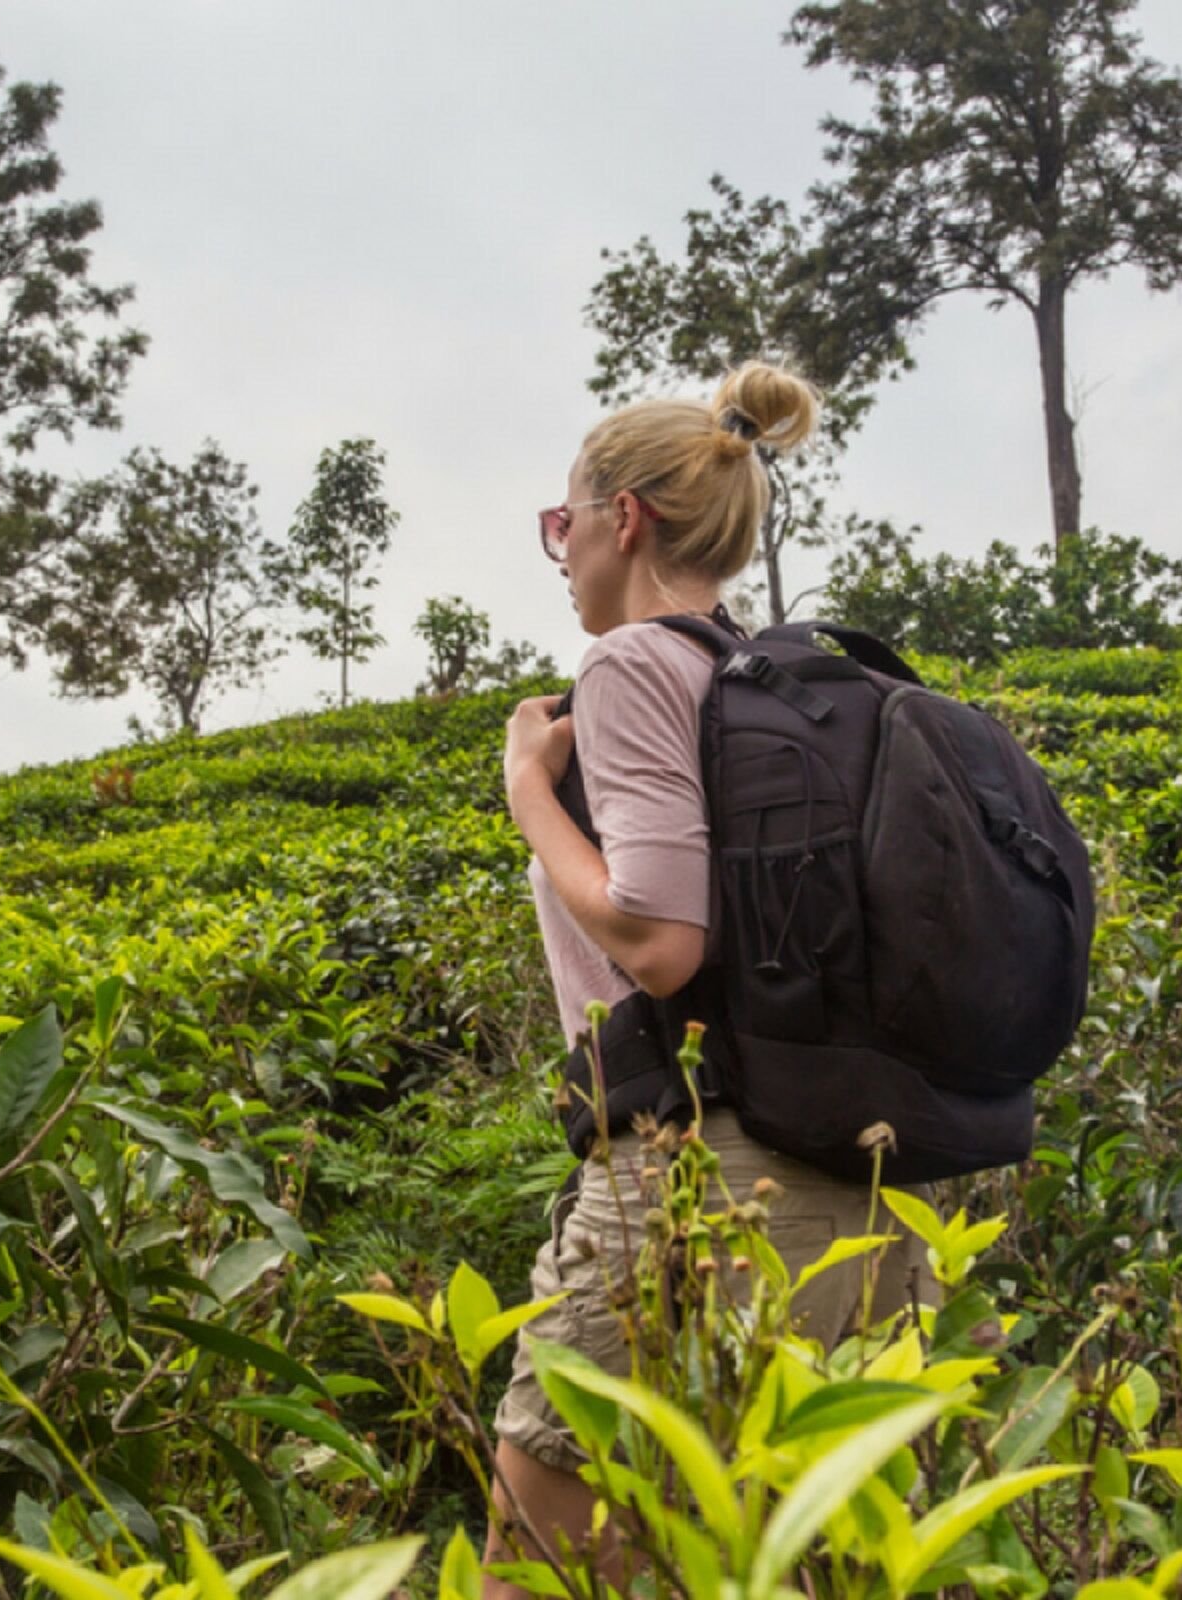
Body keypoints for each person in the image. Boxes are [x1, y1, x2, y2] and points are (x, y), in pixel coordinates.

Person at [483, 361, 938, 1597]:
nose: (560, 551)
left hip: (704, 1176)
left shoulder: (632, 666)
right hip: (864, 1179)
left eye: (559, 523)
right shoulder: (762, 680)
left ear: (618, 519)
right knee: (758, 1564)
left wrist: (528, 783)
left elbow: (658, 934)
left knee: (537, 1562)